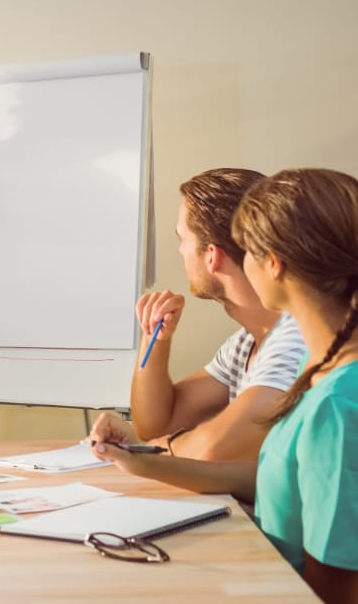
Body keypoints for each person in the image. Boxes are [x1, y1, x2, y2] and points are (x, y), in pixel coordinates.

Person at [90, 168, 358, 603]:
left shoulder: (336, 402)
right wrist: (145, 463)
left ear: (274, 263)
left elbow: (337, 588)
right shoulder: (326, 369)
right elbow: (279, 478)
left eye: (248, 250)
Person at [130, 168, 305, 460]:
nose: (181, 252)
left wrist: (139, 452)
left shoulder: (296, 336)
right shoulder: (244, 344)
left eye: (182, 239)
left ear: (212, 256)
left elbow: (214, 446)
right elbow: (155, 424)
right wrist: (155, 339)